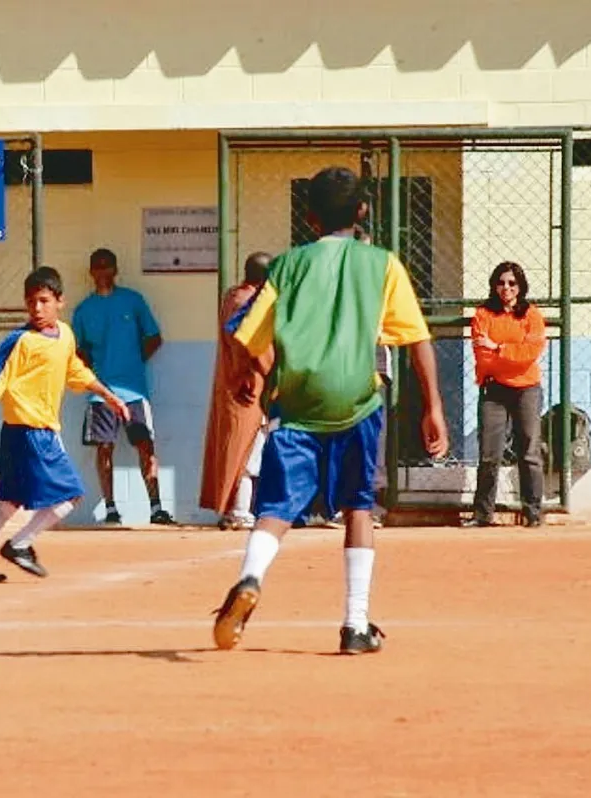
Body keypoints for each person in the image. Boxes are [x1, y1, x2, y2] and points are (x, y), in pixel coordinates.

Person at [211, 166, 449, 655]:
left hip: (297, 403)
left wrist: (247, 376)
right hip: (356, 401)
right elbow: (418, 341)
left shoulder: (287, 266)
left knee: (275, 508)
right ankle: (354, 624)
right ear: (362, 211)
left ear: (310, 216)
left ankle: (250, 578)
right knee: (358, 505)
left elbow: (249, 335)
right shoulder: (382, 264)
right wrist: (434, 409)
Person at [0, 266, 131, 583]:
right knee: (71, 495)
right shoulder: (20, 340)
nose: (37, 308)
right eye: (31, 302)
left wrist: (108, 396)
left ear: (59, 301)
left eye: (43, 300)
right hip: (29, 430)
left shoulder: (64, 335)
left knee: (10, 500)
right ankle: (20, 544)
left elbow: (74, 369)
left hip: (34, 432)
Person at [71, 248, 173, 526]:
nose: (103, 272)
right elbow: (78, 350)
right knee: (104, 448)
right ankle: (111, 508)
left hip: (134, 391)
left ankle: (156, 508)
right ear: (91, 272)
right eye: (98, 267)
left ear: (115, 270)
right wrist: (94, 371)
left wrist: (133, 363)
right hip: (100, 394)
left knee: (145, 445)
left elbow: (154, 337)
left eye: (107, 267)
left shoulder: (133, 301)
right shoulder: (83, 310)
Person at [469, 261, 547, 527]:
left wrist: (498, 347)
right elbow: (483, 355)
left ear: (520, 287)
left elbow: (530, 354)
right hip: (494, 389)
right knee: (490, 454)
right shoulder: (483, 314)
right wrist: (508, 352)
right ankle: (482, 514)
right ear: (494, 285)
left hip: (527, 388)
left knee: (529, 452)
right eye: (501, 282)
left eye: (512, 283)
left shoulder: (531, 315)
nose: (506, 288)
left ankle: (533, 512)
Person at [200, 252, 274, 530]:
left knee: (239, 447)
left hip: (236, 383)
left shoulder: (233, 296)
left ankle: (237, 508)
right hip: (247, 385)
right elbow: (248, 344)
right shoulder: (246, 302)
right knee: (247, 450)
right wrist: (267, 371)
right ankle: (240, 509)